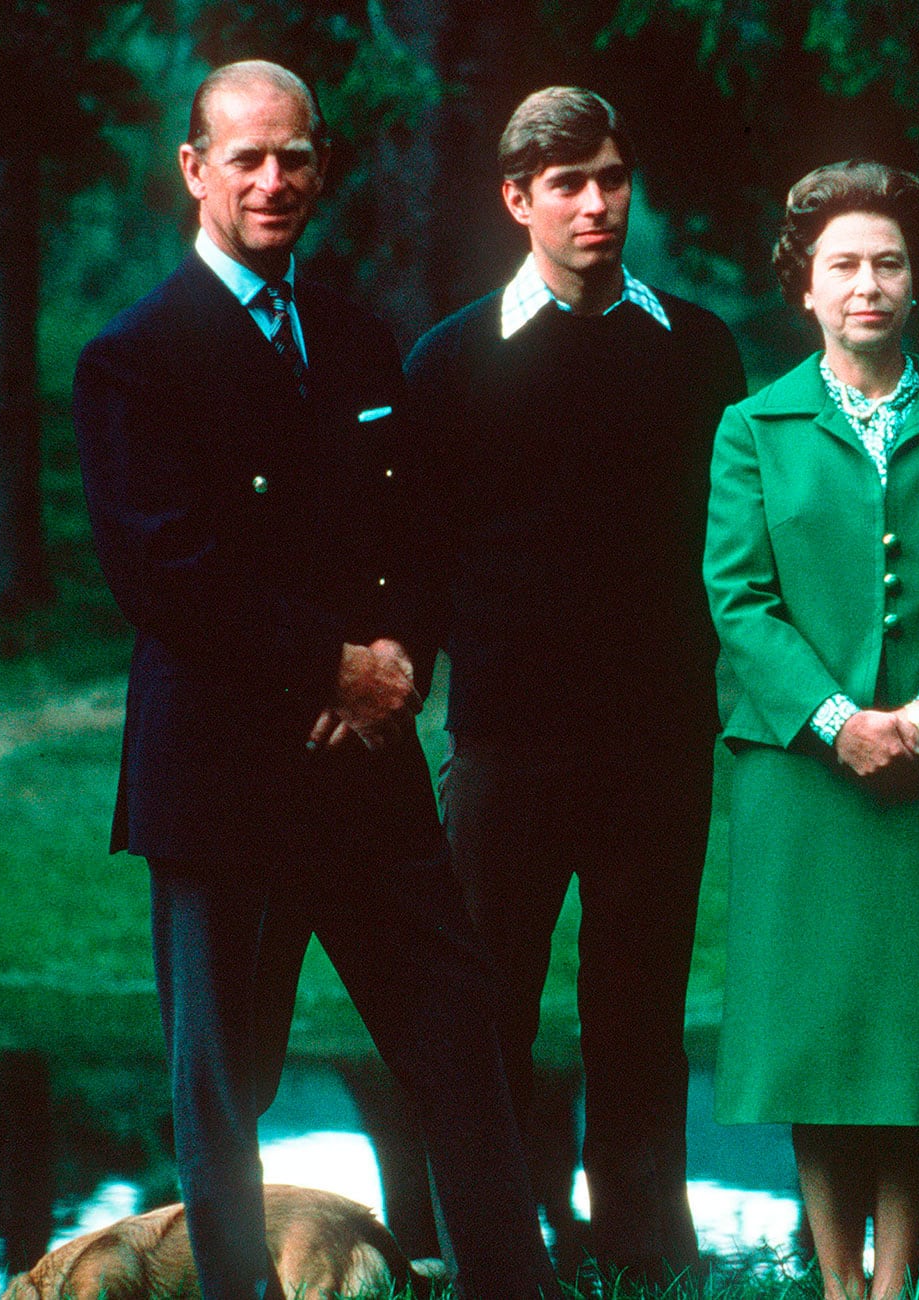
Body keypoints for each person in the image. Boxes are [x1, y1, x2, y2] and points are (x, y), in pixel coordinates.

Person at [71, 60, 558, 1300]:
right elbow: (163, 574)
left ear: (323, 164)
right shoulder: (132, 358)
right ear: (194, 169)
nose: (273, 179)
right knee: (226, 1085)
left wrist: (396, 663)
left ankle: (515, 1284)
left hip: (368, 770)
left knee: (460, 1038)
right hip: (223, 781)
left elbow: (417, 534)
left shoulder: (352, 336)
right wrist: (330, 665)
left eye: (294, 155)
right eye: (246, 157)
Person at [402, 86, 747, 1282]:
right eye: (567, 185)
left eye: (610, 178)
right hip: (504, 747)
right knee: (488, 1006)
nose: (596, 204)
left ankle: (648, 1253)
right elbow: (419, 563)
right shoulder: (448, 363)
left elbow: (728, 552)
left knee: (638, 1016)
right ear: (517, 201)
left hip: (657, 745)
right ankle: (494, 1253)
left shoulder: (696, 349)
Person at [704, 160, 919, 1300]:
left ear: (918, 282)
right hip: (804, 783)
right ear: (803, 285)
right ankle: (838, 1288)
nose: (868, 284)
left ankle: (899, 1286)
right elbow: (740, 600)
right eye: (843, 264)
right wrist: (840, 720)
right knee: (819, 1040)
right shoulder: (753, 426)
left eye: (888, 263)